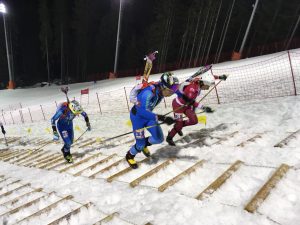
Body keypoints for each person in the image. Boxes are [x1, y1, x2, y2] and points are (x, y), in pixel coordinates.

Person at [126, 72, 176, 169]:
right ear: (164, 87)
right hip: (138, 118)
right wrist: (163, 118)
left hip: (149, 116)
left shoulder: (160, 90)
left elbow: (176, 89)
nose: (171, 93)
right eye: (170, 91)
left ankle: (143, 143)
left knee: (159, 138)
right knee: (139, 145)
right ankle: (129, 156)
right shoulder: (148, 94)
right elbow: (142, 112)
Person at [166, 73, 228, 146]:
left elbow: (210, 77)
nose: (208, 87)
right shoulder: (192, 89)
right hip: (178, 106)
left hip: (187, 105)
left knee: (194, 121)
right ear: (204, 83)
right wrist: (204, 108)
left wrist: (220, 77)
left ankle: (178, 126)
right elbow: (192, 102)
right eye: (208, 86)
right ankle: (169, 137)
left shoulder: (199, 81)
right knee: (179, 124)